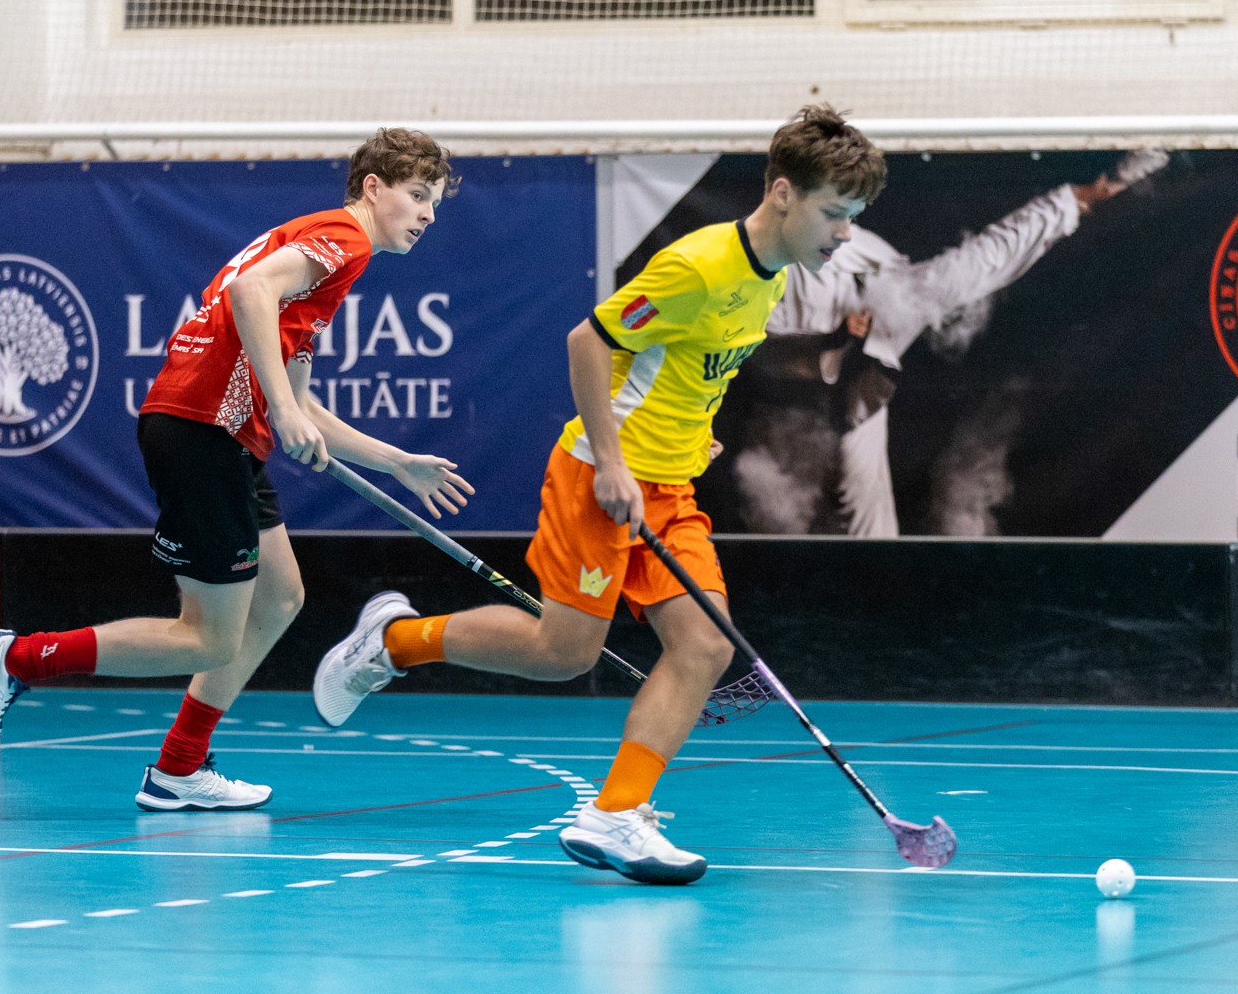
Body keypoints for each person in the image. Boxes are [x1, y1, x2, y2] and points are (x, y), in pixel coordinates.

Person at [312, 105, 885, 883]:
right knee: (562, 654)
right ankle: (394, 641)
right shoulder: (699, 266)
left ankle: (615, 813)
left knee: (706, 645)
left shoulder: (772, 274)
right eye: (836, 212)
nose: (845, 233)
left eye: (853, 216)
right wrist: (613, 463)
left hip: (670, 484)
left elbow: (686, 367)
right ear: (784, 193)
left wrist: (696, 433)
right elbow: (589, 341)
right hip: (600, 476)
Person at [0, 128, 474, 811]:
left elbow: (301, 401)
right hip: (203, 431)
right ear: (373, 187)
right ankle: (16, 660)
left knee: (280, 597)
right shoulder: (343, 238)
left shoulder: (322, 258)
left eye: (434, 203)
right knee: (205, 638)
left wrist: (397, 463)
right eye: (417, 196)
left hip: (222, 436)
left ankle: (179, 768)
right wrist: (281, 412)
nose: (428, 215)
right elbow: (250, 293)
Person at [738, 148, 1170, 536]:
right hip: (820, 364)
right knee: (816, 490)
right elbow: (765, 355)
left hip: (874, 321)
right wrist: (830, 340)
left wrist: (1077, 200)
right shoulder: (755, 279)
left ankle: (1080, 198)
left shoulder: (886, 291)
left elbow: (982, 261)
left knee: (969, 271)